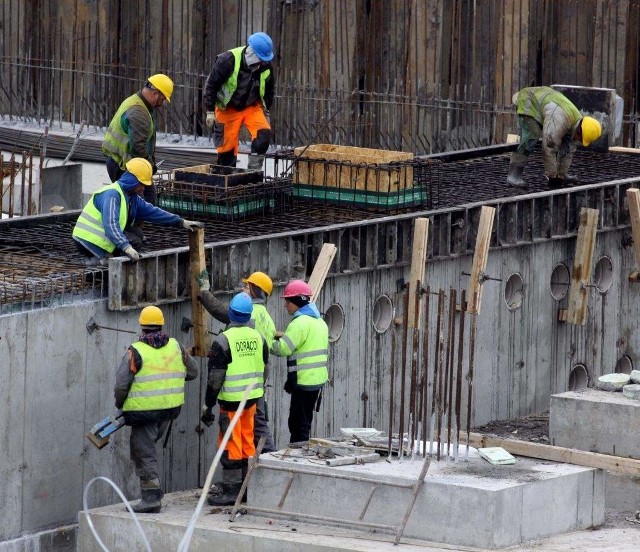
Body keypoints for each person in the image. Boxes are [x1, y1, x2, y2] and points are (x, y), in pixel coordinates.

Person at [114, 305, 198, 513]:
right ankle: (155, 489)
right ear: (161, 324)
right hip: (169, 411)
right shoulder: (177, 346)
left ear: (142, 326)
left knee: (144, 454)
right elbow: (193, 372)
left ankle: (151, 499)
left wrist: (120, 404)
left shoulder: (136, 351)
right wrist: (173, 380)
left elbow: (121, 385)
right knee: (149, 450)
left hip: (144, 413)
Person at [196, 269, 277, 454]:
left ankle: (267, 461)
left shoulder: (248, 311)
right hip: (256, 382)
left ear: (256, 290)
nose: (243, 288)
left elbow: (219, 309)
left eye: (247, 286)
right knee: (254, 429)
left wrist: (204, 290)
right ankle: (263, 464)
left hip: (238, 386)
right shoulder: (266, 315)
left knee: (241, 434)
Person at [200, 292, 268, 506]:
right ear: (249, 316)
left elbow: (215, 379)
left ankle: (231, 491)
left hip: (231, 402)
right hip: (252, 400)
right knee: (247, 441)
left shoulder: (223, 340)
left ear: (230, 314)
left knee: (231, 443)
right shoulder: (259, 338)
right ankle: (246, 487)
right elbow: (265, 368)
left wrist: (208, 405)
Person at [72, 157, 203, 264]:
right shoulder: (112, 195)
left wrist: (180, 222)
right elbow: (111, 226)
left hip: (100, 235)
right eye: (141, 184)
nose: (143, 189)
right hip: (87, 241)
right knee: (133, 241)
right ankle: (99, 261)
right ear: (132, 181)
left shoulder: (131, 196)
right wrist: (126, 247)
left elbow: (153, 212)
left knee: (138, 234)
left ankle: (107, 256)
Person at [203, 32, 275, 171]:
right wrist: (210, 111)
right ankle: (226, 177)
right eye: (260, 58)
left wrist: (266, 111)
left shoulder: (266, 66)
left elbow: (269, 92)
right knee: (226, 152)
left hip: (251, 107)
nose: (262, 62)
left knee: (263, 135)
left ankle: (253, 172)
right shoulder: (227, 60)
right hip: (227, 108)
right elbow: (211, 86)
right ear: (251, 53)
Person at [507, 86, 602, 188]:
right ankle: (513, 176)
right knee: (531, 138)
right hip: (529, 101)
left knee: (567, 143)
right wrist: (552, 176)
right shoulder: (560, 120)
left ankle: (561, 174)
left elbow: (568, 150)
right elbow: (549, 146)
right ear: (580, 131)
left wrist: (560, 176)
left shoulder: (577, 122)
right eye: (580, 138)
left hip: (547, 103)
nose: (578, 140)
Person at [270, 279, 329, 444]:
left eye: (287, 301)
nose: (285, 305)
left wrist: (266, 342)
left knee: (297, 425)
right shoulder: (319, 322)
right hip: (316, 381)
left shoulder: (300, 323)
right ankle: (301, 451)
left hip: (303, 382)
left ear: (297, 301)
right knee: (304, 423)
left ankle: (298, 457)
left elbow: (283, 349)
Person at [102, 73, 174, 204]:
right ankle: (136, 224)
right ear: (156, 93)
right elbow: (138, 148)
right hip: (123, 166)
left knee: (138, 202)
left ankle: (137, 223)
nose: (161, 104)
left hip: (121, 162)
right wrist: (151, 167)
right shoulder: (138, 112)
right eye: (162, 99)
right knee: (143, 203)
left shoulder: (136, 101)